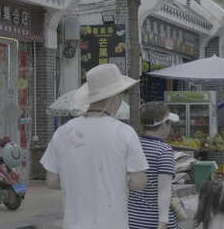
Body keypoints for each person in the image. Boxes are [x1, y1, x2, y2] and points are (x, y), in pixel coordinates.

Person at [40, 64, 149, 229]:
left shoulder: (63, 132)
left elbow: (52, 181)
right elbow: (138, 182)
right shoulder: (124, 132)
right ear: (115, 97)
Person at [129, 102, 179, 229]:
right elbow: (164, 190)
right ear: (163, 125)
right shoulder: (164, 151)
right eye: (169, 123)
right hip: (154, 221)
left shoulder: (133, 145)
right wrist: (163, 222)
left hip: (132, 219)